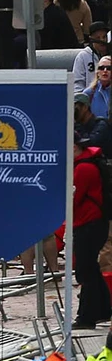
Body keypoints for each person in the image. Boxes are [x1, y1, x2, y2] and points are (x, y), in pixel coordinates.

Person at [73, 106, 110, 329]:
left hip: (89, 224)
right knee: (92, 271)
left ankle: (86, 317)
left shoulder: (84, 169)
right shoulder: (86, 164)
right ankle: (104, 309)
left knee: (85, 272)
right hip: (91, 223)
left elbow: (72, 199)